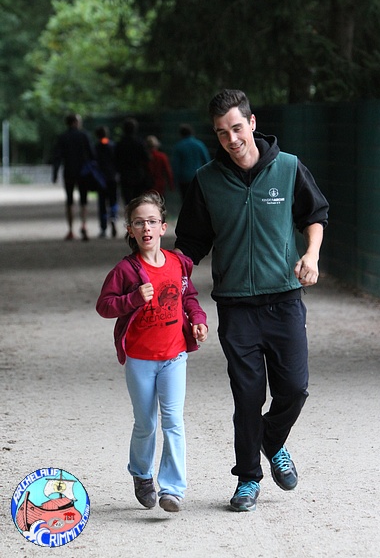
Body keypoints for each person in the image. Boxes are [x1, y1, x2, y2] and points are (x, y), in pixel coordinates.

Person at [174, 89, 329, 512]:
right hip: (236, 304)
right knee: (247, 395)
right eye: (221, 132)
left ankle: (271, 440)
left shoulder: (289, 168)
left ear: (252, 123)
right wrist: (167, 274)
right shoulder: (207, 180)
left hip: (284, 299)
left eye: (237, 128)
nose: (232, 139)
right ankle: (247, 478)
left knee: (294, 389)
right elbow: (191, 242)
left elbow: (314, 214)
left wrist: (311, 255)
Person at [96, 191, 208, 512]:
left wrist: (198, 320)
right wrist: (133, 298)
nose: (146, 228)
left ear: (163, 227)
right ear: (130, 230)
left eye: (152, 222)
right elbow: (104, 305)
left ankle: (172, 489)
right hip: (140, 359)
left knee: (173, 421)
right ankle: (142, 475)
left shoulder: (177, 263)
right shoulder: (125, 270)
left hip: (174, 356)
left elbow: (189, 296)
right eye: (138, 223)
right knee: (146, 423)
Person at [52, 113, 95, 240]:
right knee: (83, 200)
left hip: (69, 172)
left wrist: (55, 173)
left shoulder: (62, 137)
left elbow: (57, 157)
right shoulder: (84, 135)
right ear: (75, 122)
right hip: (83, 173)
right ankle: (84, 225)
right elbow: (92, 154)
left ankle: (70, 230)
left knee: (69, 201)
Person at [115, 118, 153, 206]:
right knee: (138, 200)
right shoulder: (140, 143)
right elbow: (147, 158)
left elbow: (115, 159)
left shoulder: (120, 144)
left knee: (127, 200)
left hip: (125, 175)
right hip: (138, 175)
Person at [172, 124, 211, 201]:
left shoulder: (178, 146)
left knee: (186, 200)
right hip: (198, 177)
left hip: (184, 179)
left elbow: (176, 166)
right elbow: (207, 161)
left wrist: (175, 180)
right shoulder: (200, 144)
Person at [94, 125, 118, 238]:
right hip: (112, 177)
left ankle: (103, 228)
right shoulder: (113, 146)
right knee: (113, 200)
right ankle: (113, 217)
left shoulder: (96, 147)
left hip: (101, 179)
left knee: (102, 204)